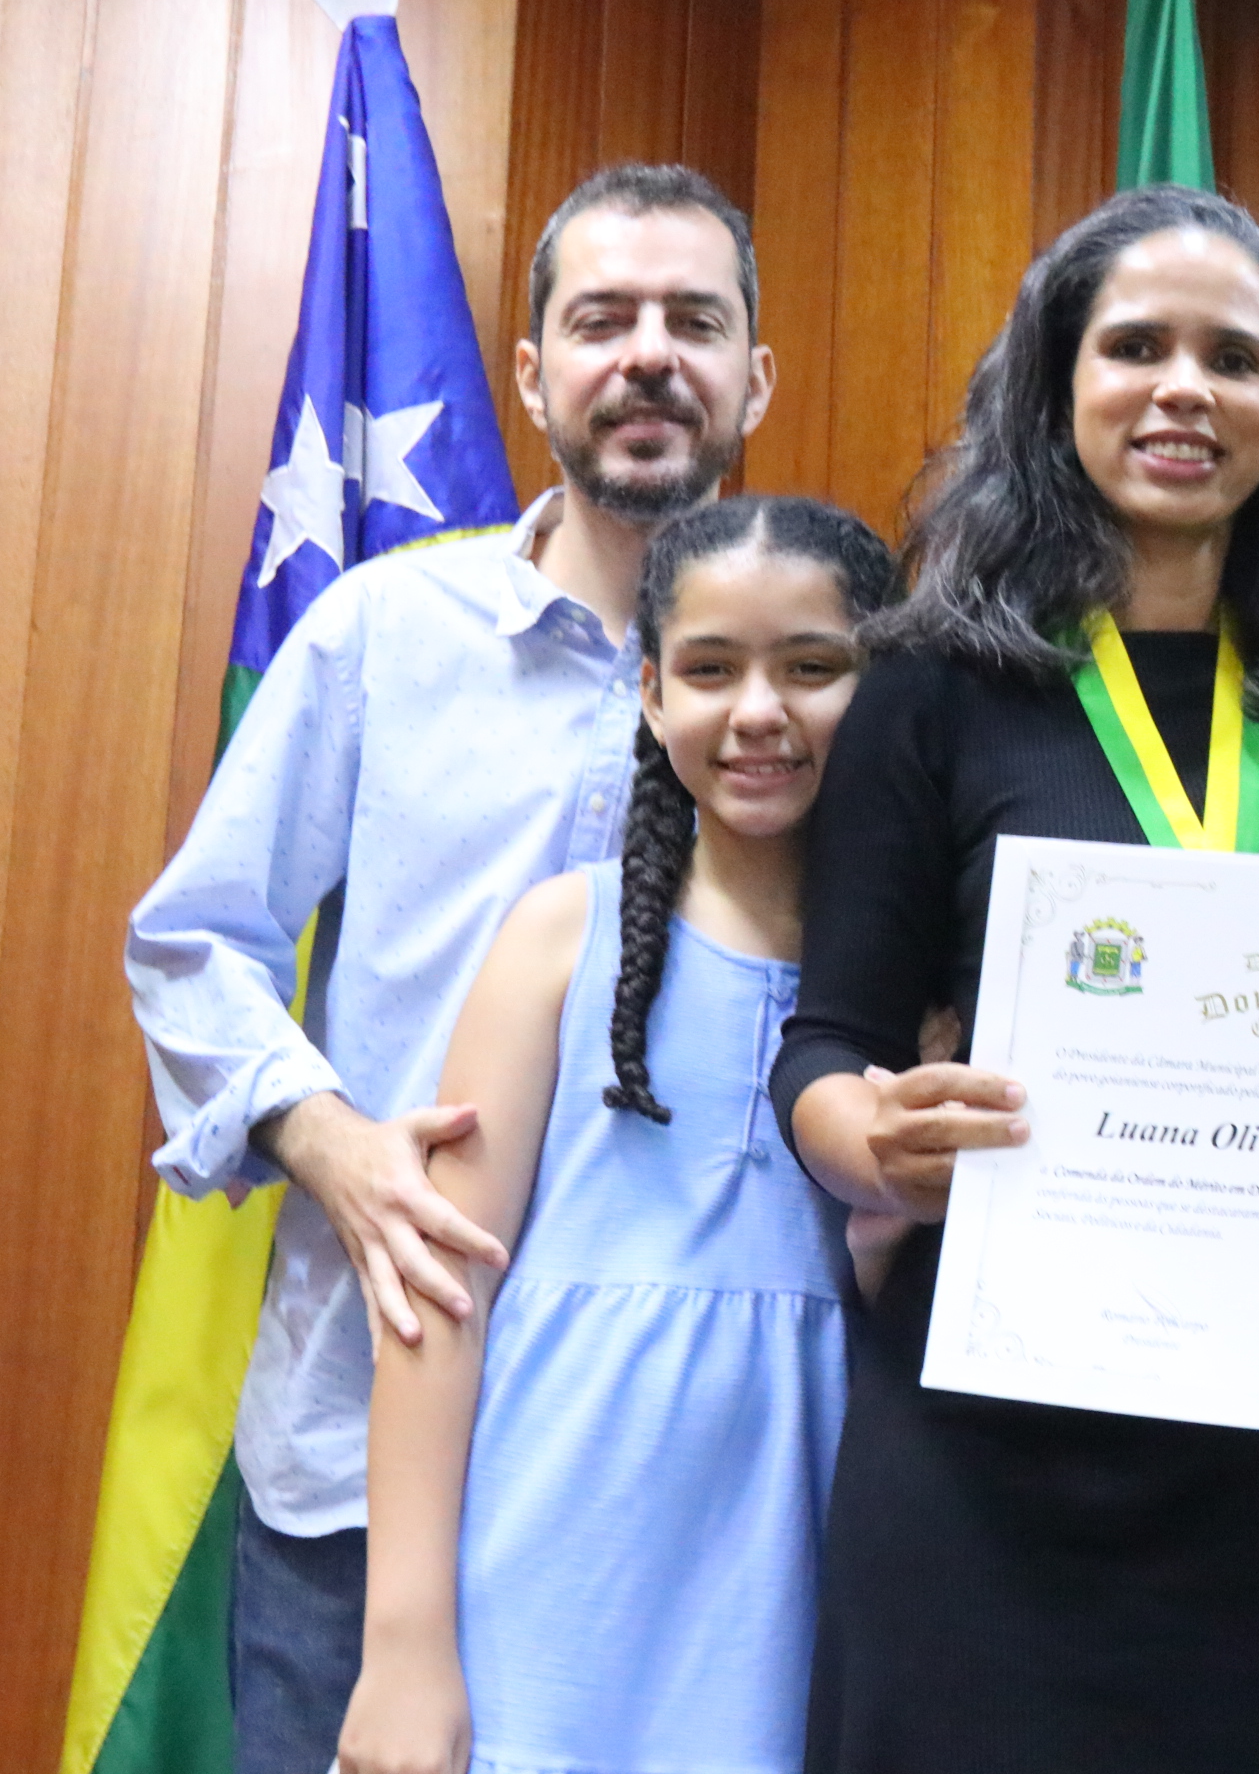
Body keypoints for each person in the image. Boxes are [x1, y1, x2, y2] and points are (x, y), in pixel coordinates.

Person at [126, 161, 777, 1774]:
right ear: (533, 375)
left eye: (693, 322)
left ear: (756, 378)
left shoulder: (820, 688)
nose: (649, 355)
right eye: (603, 320)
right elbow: (193, 942)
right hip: (356, 1462)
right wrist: (327, 1139)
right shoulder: (382, 632)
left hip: (669, 1498)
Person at [773, 183, 1259, 1773]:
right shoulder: (927, 692)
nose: (1185, 388)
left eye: (1234, 358)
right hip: (988, 1448)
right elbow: (825, 1047)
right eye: (1136, 347)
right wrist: (878, 1144)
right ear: (1058, 386)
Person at [332, 496, 892, 1774]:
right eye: (711, 668)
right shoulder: (559, 938)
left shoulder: (924, 990)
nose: (761, 711)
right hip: (539, 1603)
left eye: (813, 666)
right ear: (649, 690)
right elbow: (437, 1302)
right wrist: (404, 1644)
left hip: (781, 1612)